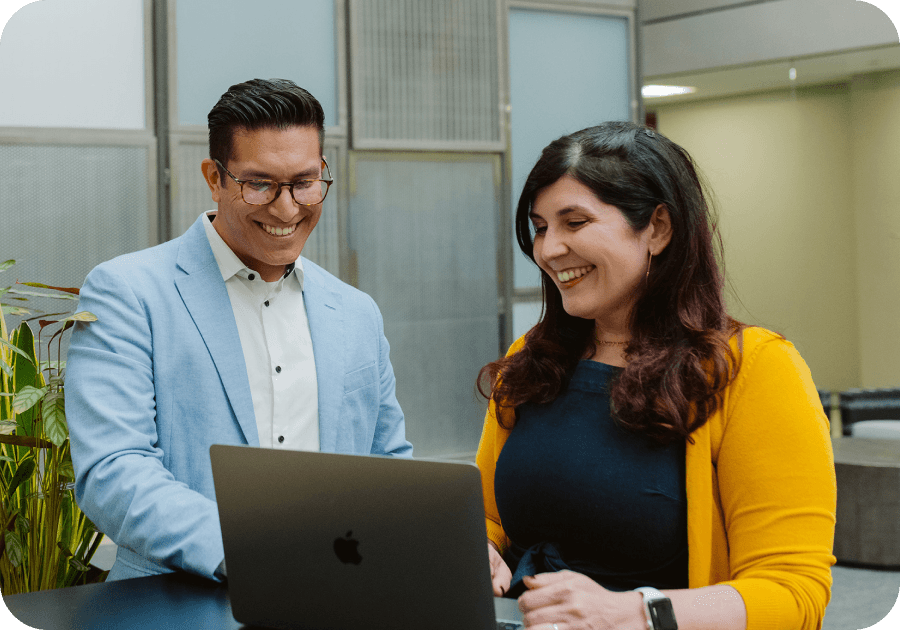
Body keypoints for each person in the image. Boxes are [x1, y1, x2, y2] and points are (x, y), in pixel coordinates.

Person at [476, 122, 835, 630]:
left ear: (659, 228)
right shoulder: (532, 361)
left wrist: (635, 612)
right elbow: (491, 517)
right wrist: (480, 546)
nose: (548, 249)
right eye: (540, 227)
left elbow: (793, 592)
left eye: (574, 222)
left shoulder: (755, 369)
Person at [66, 78, 412, 582]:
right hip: (179, 602)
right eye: (260, 184)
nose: (287, 207)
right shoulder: (128, 293)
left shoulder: (356, 312)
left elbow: (389, 468)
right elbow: (114, 470)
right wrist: (260, 551)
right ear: (214, 177)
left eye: (304, 182)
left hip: (340, 596)